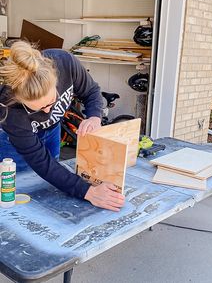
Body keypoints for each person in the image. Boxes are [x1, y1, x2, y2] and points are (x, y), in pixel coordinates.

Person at [0, 41, 125, 211]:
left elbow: (91, 92)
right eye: (38, 108)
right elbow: (42, 162)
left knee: (49, 186)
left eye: (52, 102)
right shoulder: (8, 108)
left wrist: (95, 116)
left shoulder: (65, 63)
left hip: (51, 132)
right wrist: (88, 192)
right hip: (14, 144)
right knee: (14, 195)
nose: (47, 112)